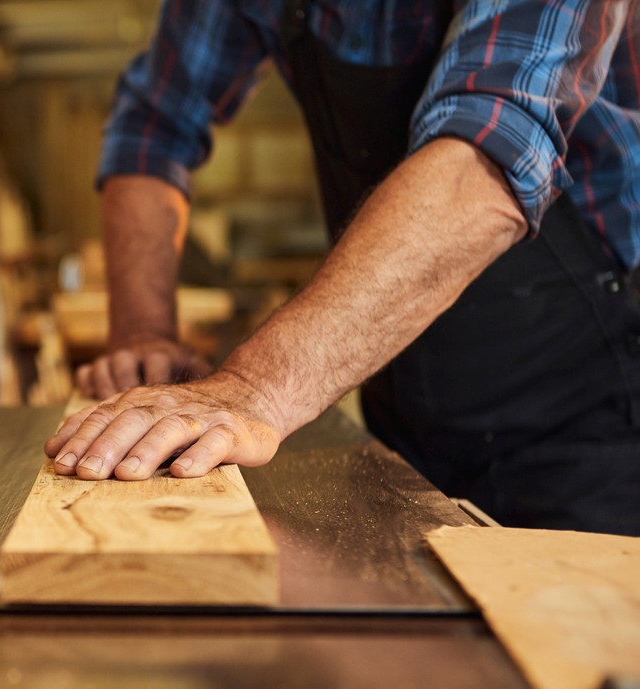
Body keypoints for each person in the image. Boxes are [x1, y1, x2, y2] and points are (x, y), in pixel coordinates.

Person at [44, 0, 640, 536]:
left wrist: (254, 390)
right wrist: (144, 333)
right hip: (405, 410)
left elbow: (489, 155)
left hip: (588, 410)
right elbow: (155, 125)